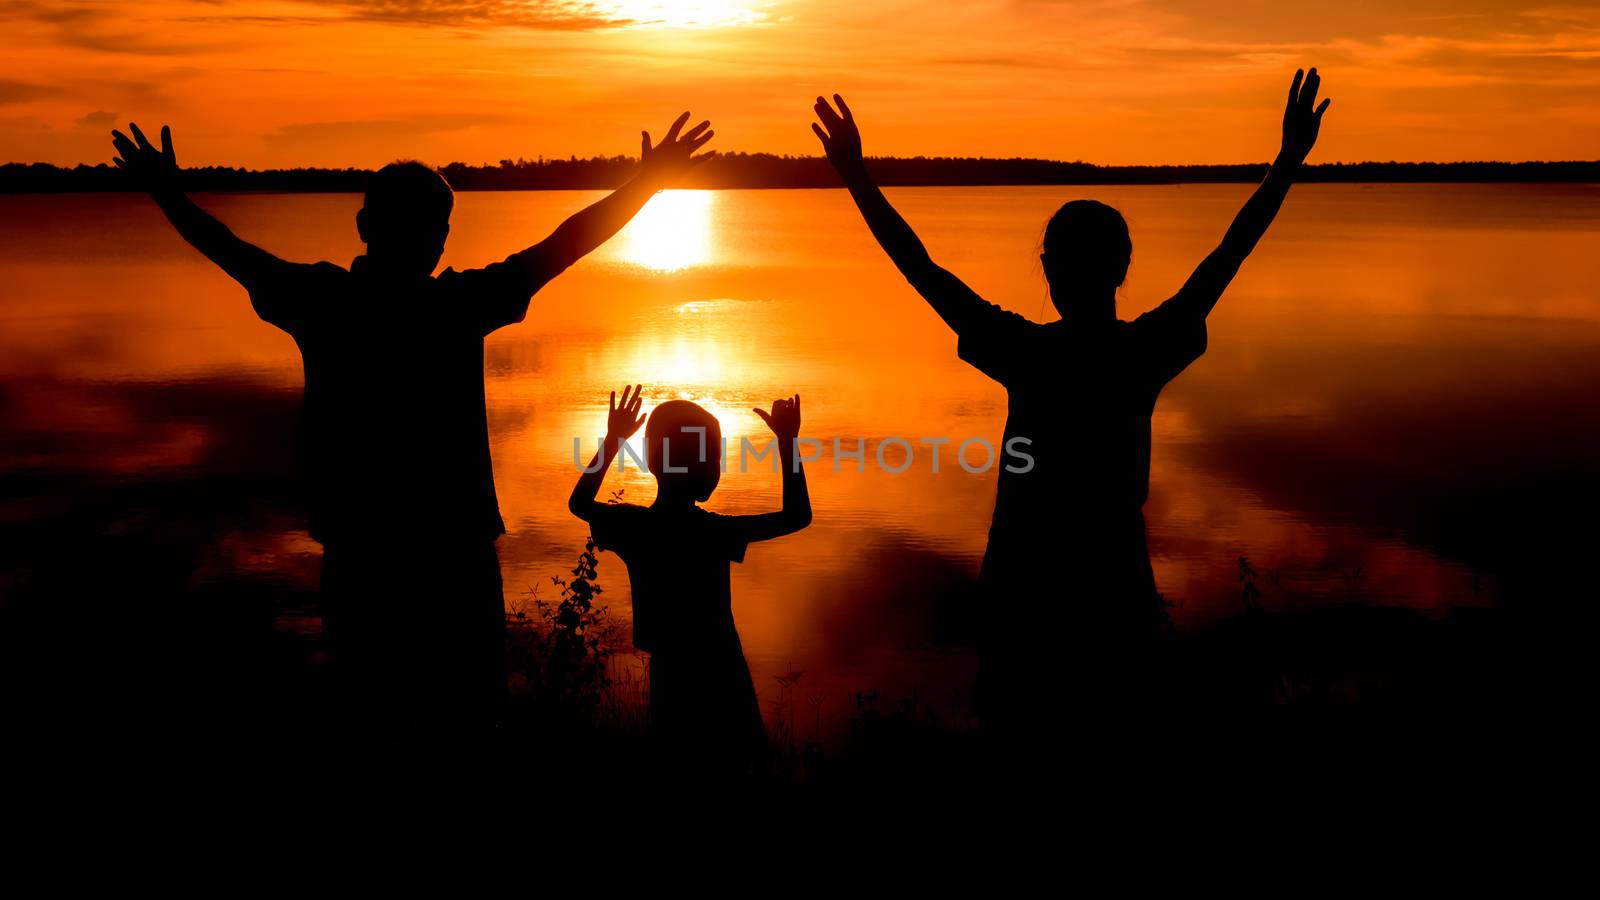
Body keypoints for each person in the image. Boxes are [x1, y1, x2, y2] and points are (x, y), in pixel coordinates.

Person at [109, 113, 716, 731]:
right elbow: (564, 245)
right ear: (437, 238)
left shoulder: (324, 302)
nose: (439, 241)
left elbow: (229, 251)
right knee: (464, 718)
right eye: (439, 228)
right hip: (453, 562)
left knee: (370, 711)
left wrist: (167, 195)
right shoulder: (454, 305)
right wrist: (645, 185)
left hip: (361, 558)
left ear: (366, 226)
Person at [810, 70, 1332, 738]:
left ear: (1051, 272)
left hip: (1023, 590)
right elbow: (1226, 256)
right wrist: (1286, 162)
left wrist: (856, 177)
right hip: (1113, 587)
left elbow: (923, 271)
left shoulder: (1026, 354)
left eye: (1055, 261)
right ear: (1121, 271)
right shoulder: (1142, 353)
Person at [568, 386, 812, 774]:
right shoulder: (712, 532)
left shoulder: (638, 528)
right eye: (712, 456)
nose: (716, 466)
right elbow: (796, 516)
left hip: (672, 675)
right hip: (722, 673)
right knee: (740, 768)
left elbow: (578, 504)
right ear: (705, 467)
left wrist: (614, 440)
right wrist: (787, 442)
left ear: (653, 461)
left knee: (680, 768)